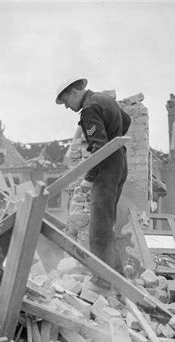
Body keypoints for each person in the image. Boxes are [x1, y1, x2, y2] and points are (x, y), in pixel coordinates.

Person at [55, 77, 131, 283]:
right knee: (107, 223)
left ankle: (102, 280)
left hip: (107, 167)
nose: (67, 107)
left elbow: (99, 148)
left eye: (66, 101)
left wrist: (89, 179)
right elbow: (127, 120)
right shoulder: (104, 99)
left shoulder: (89, 108)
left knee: (98, 228)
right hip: (120, 160)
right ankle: (117, 275)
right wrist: (115, 136)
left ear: (74, 93)